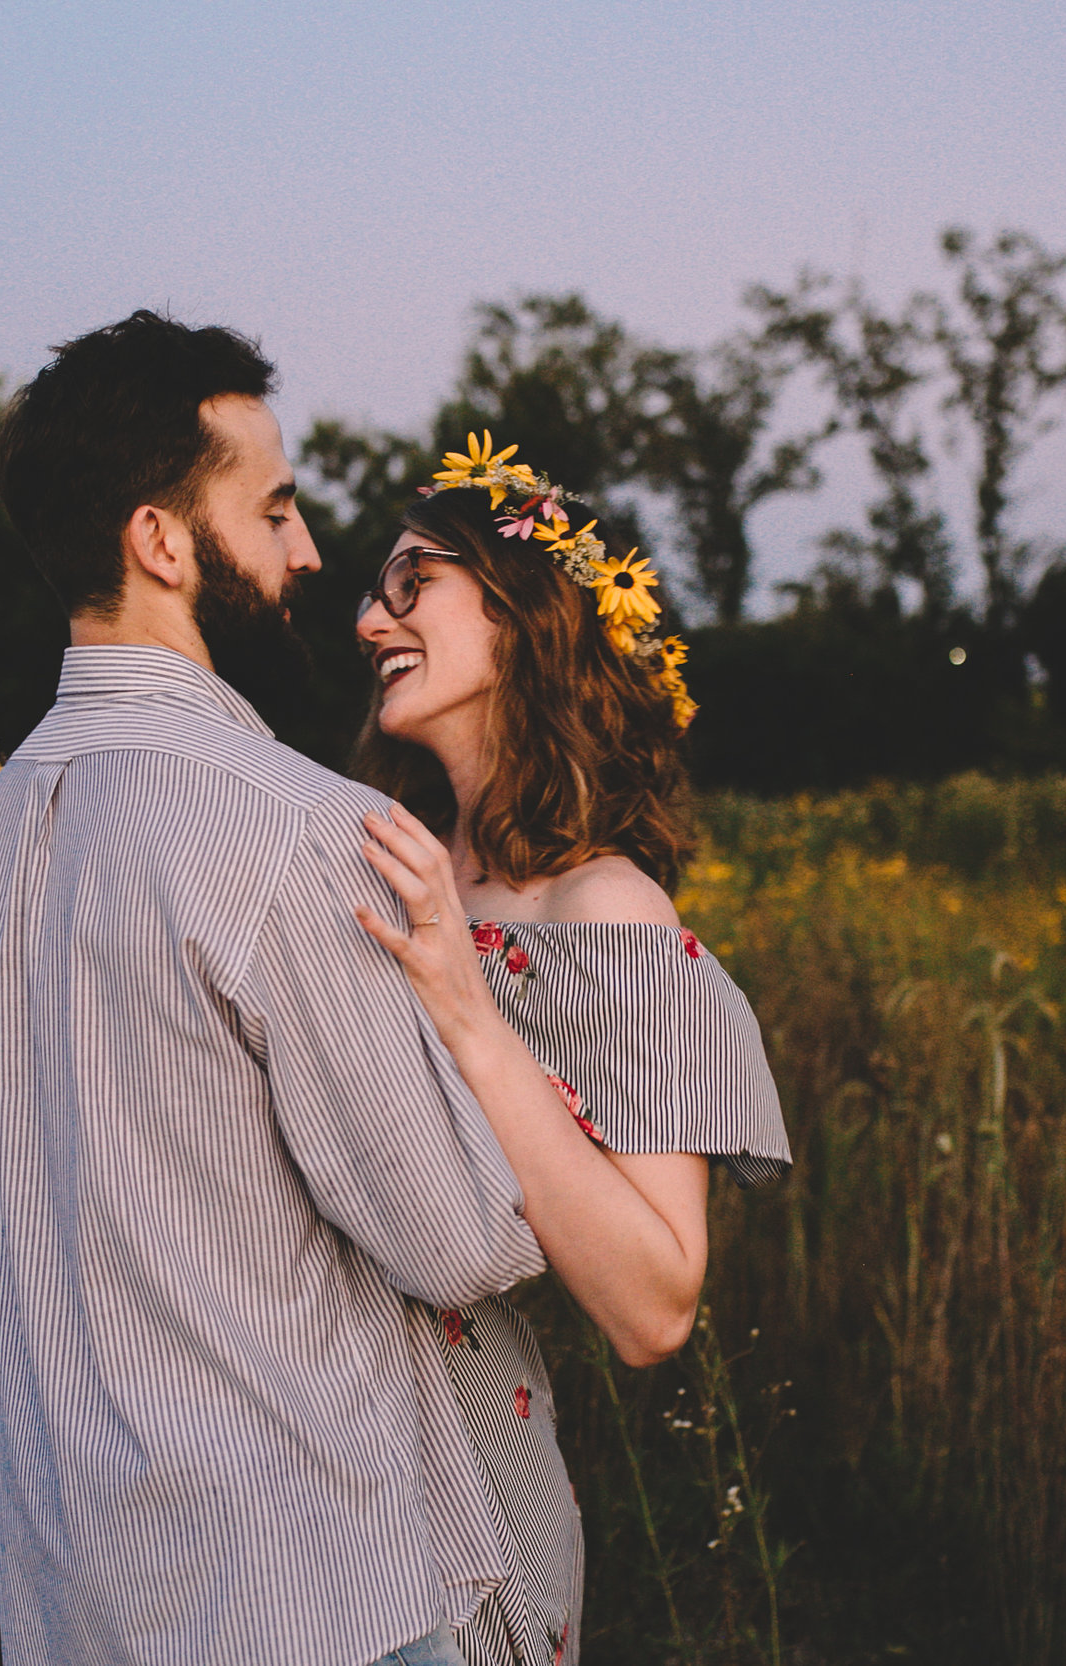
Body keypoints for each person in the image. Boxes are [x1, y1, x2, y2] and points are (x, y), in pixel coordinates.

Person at [0, 315, 547, 1666]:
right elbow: (457, 1239)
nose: (306, 552)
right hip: (305, 1589)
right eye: (274, 508)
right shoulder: (290, 824)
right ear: (162, 541)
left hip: (81, 1588)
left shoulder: (19, 806)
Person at [348, 437, 792, 1666]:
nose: (365, 617)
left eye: (407, 581)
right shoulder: (390, 855)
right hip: (292, 1455)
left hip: (460, 1494)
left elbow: (657, 1306)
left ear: (519, 611)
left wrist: (468, 1013)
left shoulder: (604, 911)